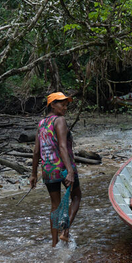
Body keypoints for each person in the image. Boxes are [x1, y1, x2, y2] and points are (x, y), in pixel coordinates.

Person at [29, 92, 82, 247]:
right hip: (64, 168)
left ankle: (54, 244)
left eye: (66, 105)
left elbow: (36, 151)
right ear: (52, 105)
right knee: (77, 197)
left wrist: (33, 174)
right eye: (62, 104)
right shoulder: (60, 120)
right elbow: (62, 146)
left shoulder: (41, 124)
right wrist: (70, 171)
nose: (65, 108)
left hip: (48, 170)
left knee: (55, 206)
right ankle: (65, 231)